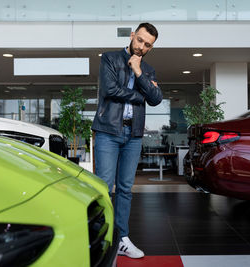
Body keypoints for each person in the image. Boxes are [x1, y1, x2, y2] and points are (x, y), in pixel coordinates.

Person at [92, 22, 162, 259]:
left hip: (133, 135)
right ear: (133, 36)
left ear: (151, 48)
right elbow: (110, 89)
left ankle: (121, 238)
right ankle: (100, 237)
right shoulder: (110, 59)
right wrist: (140, 94)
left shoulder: (149, 70)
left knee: (124, 189)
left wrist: (139, 71)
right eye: (140, 40)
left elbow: (156, 99)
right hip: (108, 131)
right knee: (103, 186)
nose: (142, 46)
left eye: (147, 45)